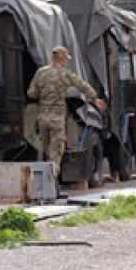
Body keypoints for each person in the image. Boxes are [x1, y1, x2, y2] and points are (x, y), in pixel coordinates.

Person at [27, 46, 106, 185]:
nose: (66, 62)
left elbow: (31, 93)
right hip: (57, 118)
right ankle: (51, 187)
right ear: (62, 58)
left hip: (43, 117)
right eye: (66, 59)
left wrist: (44, 93)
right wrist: (95, 98)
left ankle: (43, 186)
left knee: (46, 151)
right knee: (56, 153)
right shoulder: (65, 74)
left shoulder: (41, 73)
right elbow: (82, 86)